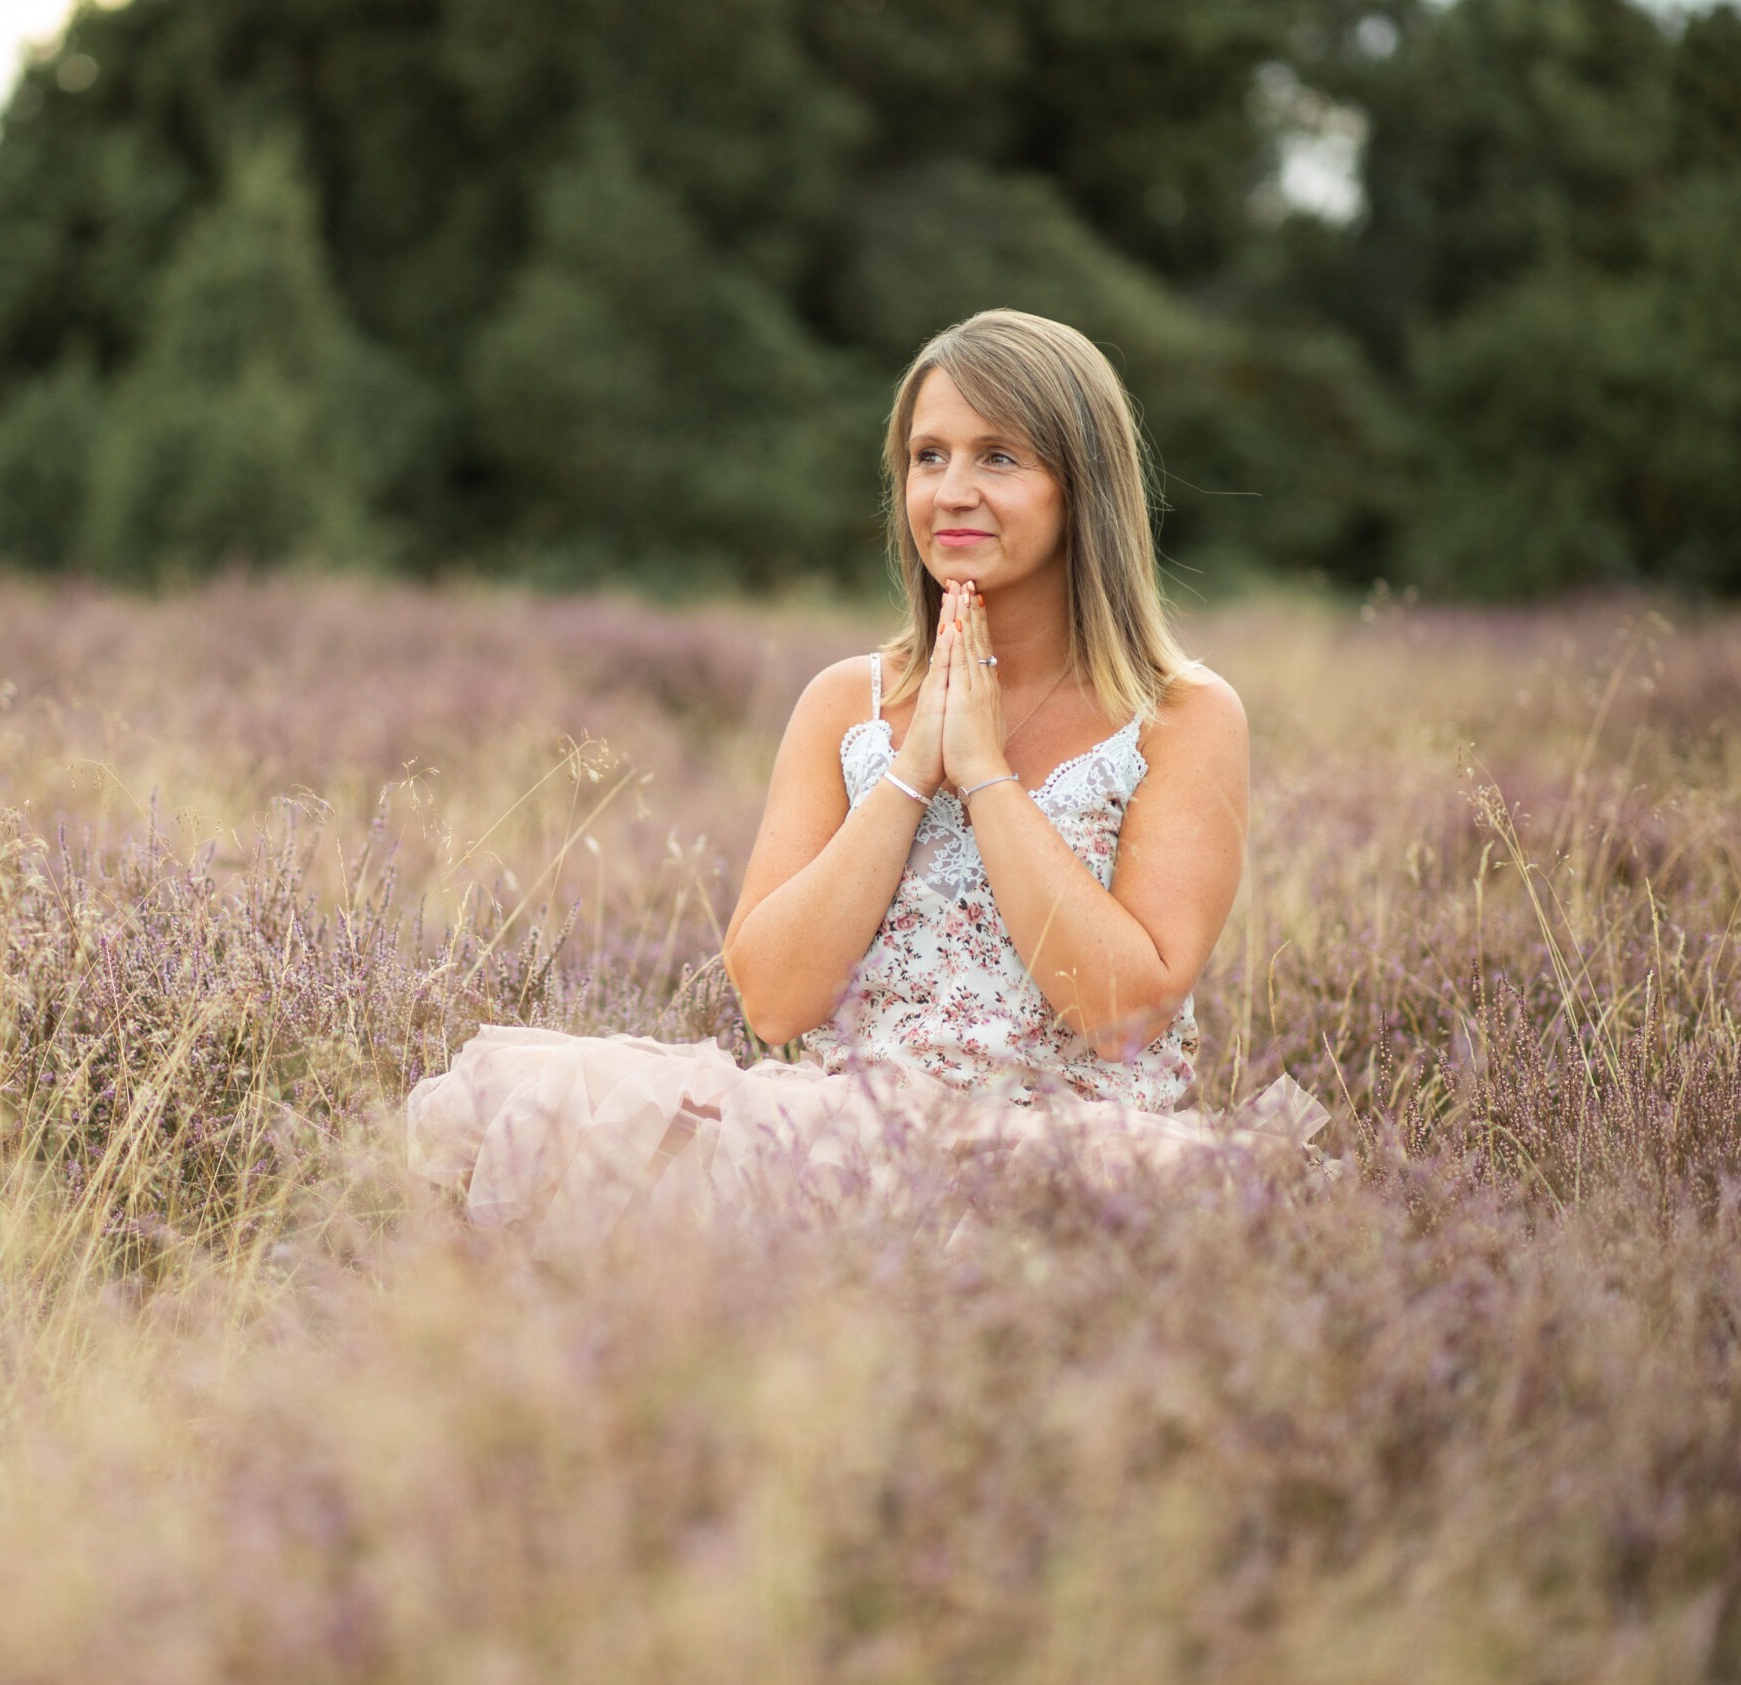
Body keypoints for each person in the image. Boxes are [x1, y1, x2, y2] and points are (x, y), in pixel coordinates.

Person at [409, 310, 1325, 1244]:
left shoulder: (1183, 715)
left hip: (1074, 1169)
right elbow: (773, 1001)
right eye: (929, 457)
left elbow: (1122, 1014)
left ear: (1080, 487)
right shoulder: (846, 703)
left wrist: (984, 774)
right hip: (844, 1154)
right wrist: (909, 774)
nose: (953, 492)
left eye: (999, 458)